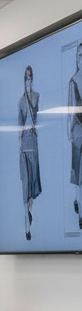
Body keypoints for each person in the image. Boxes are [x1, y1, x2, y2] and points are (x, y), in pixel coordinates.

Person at [18, 65, 42, 241]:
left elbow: (38, 119)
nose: (28, 80)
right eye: (26, 77)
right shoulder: (20, 101)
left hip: (33, 143)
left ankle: (29, 211)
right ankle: (26, 225)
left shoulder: (36, 97)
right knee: (25, 186)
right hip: (23, 145)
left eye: (30, 77)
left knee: (32, 184)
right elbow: (19, 126)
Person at [68, 43, 82, 228]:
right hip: (78, 134)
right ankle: (80, 217)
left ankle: (77, 201)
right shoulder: (73, 81)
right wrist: (69, 133)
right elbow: (70, 110)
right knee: (79, 177)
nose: (80, 58)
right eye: (78, 55)